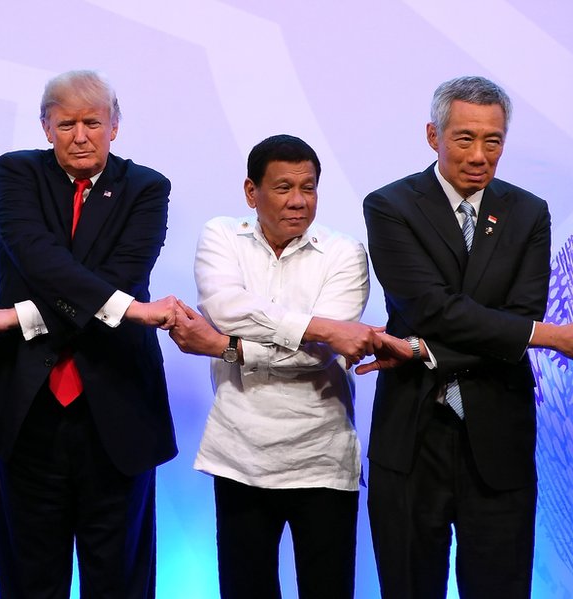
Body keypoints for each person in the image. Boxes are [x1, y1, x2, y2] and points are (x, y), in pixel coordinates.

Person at [0, 70, 179, 598]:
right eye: (65, 124)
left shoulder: (147, 188)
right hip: (27, 410)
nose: (80, 136)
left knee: (120, 578)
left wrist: (21, 318)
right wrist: (127, 309)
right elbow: (35, 258)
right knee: (29, 575)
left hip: (117, 406)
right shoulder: (16, 173)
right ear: (45, 126)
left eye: (92, 122)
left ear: (114, 126)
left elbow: (120, 276)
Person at [357, 75, 573, 598]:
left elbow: (517, 313)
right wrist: (545, 335)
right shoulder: (390, 206)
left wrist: (418, 348)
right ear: (433, 136)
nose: (479, 155)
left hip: (498, 438)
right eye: (465, 138)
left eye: (492, 141)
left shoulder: (528, 212)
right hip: (412, 436)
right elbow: (430, 307)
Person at [169, 134, 381, 599]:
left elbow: (319, 354)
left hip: (321, 456)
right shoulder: (222, 235)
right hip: (239, 453)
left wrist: (229, 348)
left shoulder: (345, 253)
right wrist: (319, 326)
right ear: (252, 192)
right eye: (284, 188)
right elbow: (226, 308)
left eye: (309, 188)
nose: (299, 201)